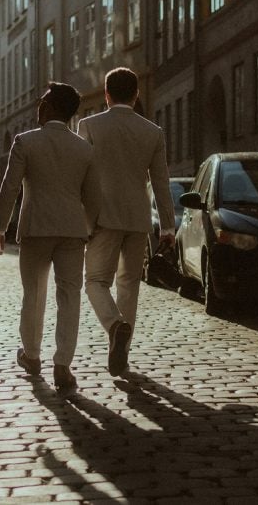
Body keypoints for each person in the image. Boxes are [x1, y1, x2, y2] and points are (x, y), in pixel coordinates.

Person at [0, 82, 99, 393]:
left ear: (51, 108)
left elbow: (10, 187)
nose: (38, 106)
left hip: (36, 228)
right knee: (70, 297)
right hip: (72, 231)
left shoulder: (25, 142)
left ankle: (33, 356)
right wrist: (89, 229)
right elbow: (93, 196)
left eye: (42, 102)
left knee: (34, 294)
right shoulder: (84, 149)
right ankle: (63, 365)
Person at [77, 67, 175, 377]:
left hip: (102, 216)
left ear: (106, 95)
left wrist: (79, 221)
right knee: (129, 285)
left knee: (95, 281)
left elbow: (81, 177)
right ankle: (122, 351)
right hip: (138, 219)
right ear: (136, 95)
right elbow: (161, 181)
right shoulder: (152, 132)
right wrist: (169, 227)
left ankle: (114, 325)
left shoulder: (89, 126)